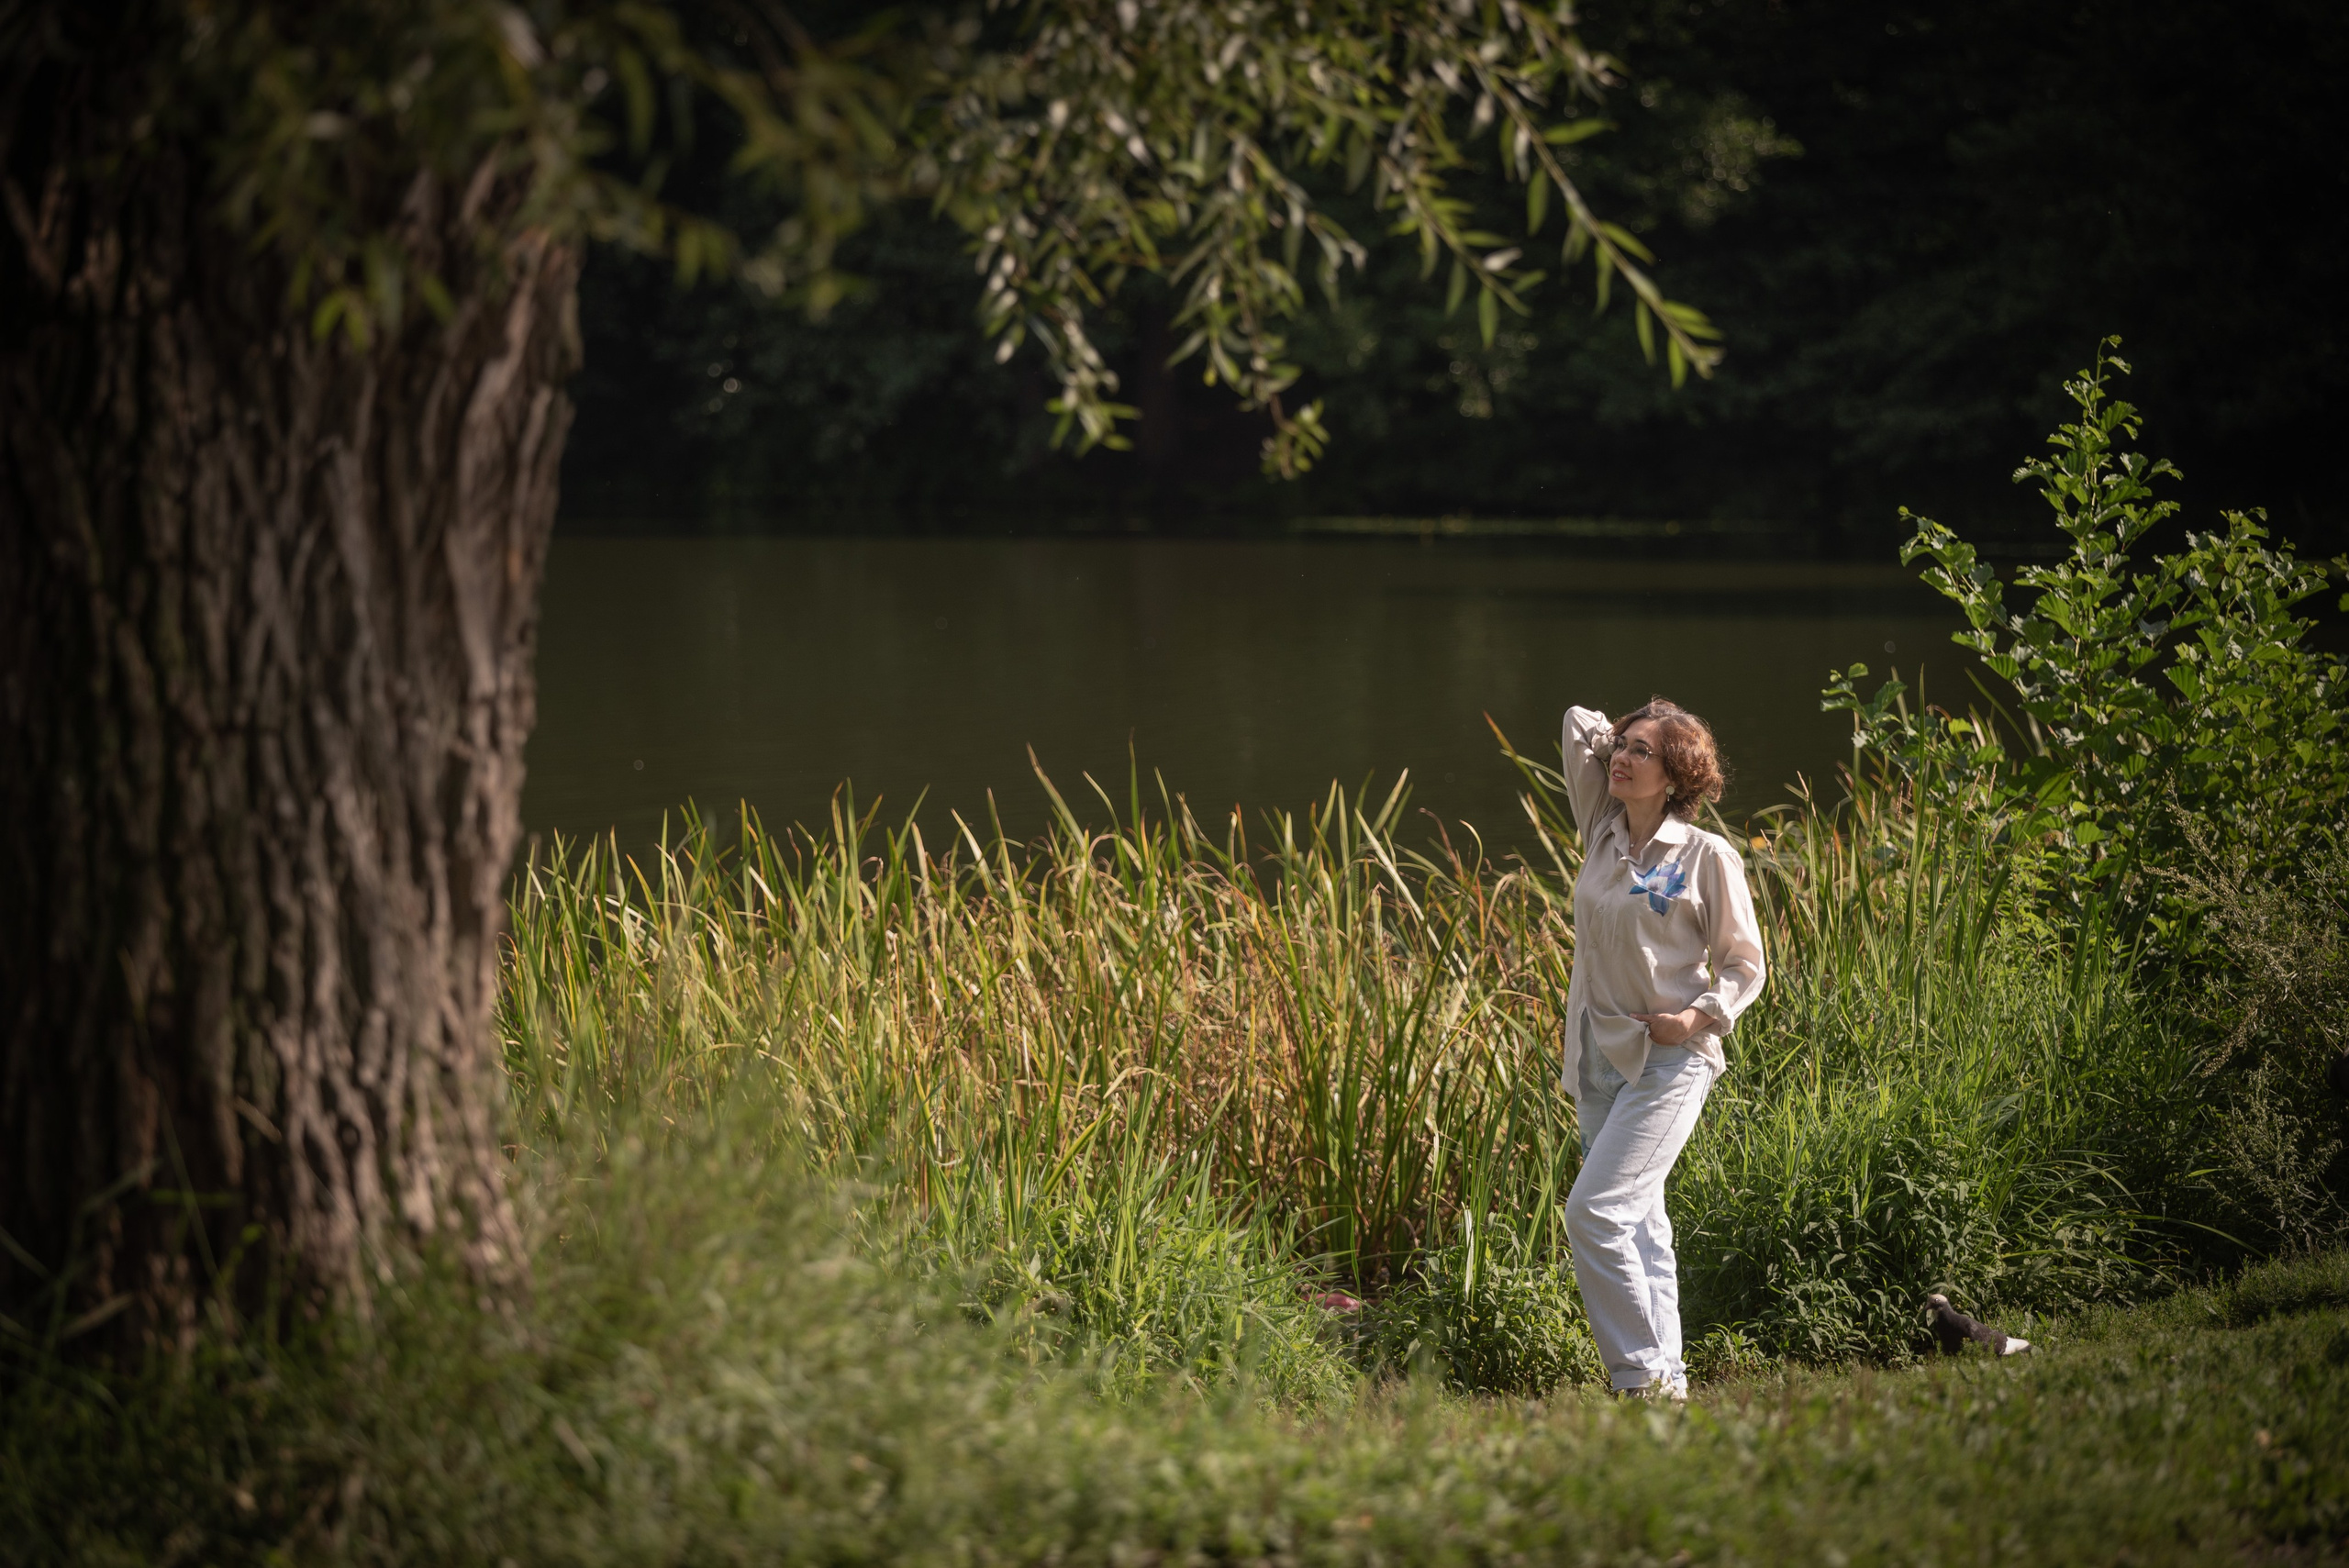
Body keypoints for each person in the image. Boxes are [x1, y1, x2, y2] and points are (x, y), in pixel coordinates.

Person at [1557, 698, 1765, 1402]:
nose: (1619, 756)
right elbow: (1576, 720)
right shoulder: (1601, 829)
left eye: (1643, 751)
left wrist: (1698, 1015)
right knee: (1642, 1221)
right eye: (1619, 746)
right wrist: (1641, 719)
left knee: (1595, 1210)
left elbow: (1745, 964)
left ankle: (1640, 1376)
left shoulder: (1707, 855)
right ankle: (1667, 1379)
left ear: (1675, 774)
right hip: (1597, 1056)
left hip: (1670, 1058)